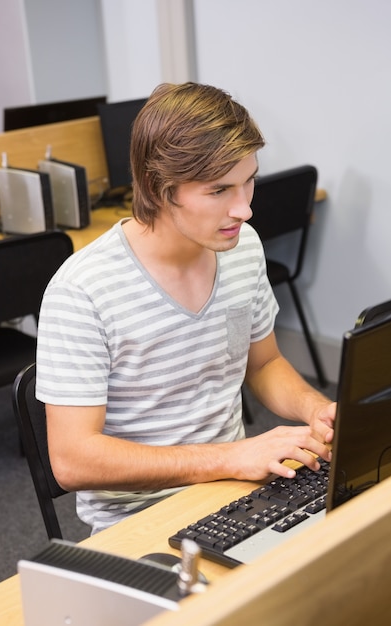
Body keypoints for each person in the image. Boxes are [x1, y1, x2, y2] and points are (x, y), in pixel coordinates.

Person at [36, 82, 336, 534]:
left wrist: (315, 408)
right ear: (159, 189)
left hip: (237, 493)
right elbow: (73, 461)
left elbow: (265, 362)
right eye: (219, 191)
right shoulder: (83, 290)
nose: (245, 209)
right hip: (139, 520)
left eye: (248, 181)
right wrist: (231, 456)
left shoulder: (242, 248)